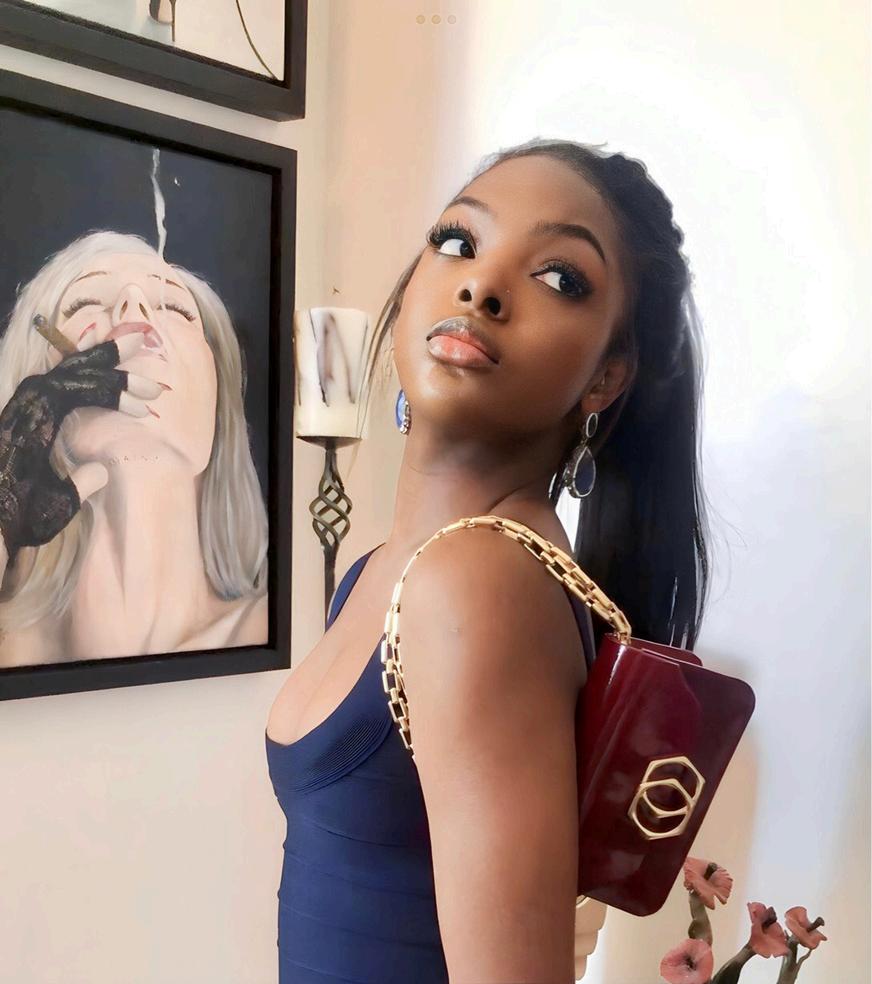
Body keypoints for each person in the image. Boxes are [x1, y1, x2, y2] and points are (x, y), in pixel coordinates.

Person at [265, 138, 710, 983]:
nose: (482, 286)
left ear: (606, 377)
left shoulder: (477, 582)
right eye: (458, 241)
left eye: (560, 278)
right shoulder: (378, 571)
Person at [0, 231, 268, 666]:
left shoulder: (278, 632)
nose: (133, 308)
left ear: (218, 399)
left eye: (175, 309)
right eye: (85, 303)